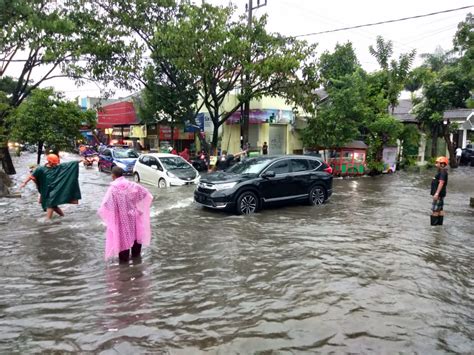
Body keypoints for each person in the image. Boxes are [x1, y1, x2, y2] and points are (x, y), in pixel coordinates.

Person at [98, 166, 153, 262]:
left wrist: (118, 210)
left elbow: (106, 205)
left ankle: (124, 272)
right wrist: (135, 203)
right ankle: (137, 268)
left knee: (123, 245)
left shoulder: (113, 189)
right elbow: (146, 194)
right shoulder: (132, 185)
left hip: (122, 220)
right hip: (134, 217)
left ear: (113, 176)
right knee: (136, 242)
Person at [20, 154, 82, 219]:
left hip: (55, 189)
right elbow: (32, 176)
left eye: (56, 163)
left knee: (50, 203)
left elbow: (69, 164)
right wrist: (24, 183)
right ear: (49, 162)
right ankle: (62, 216)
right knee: (53, 205)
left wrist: (79, 161)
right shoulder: (40, 169)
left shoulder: (58, 167)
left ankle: (48, 221)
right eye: (54, 163)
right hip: (45, 189)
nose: (55, 164)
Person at [430, 156, 449, 226]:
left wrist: (437, 193)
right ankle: (439, 227)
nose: (436, 164)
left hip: (439, 195)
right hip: (441, 194)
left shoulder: (442, 172)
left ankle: (433, 229)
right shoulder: (442, 172)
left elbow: (441, 182)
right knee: (440, 210)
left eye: (437, 163)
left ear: (442, 164)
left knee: (435, 210)